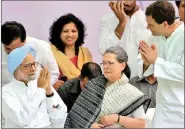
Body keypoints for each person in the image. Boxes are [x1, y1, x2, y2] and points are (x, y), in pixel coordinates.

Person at [64, 46, 151, 128]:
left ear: (122, 66)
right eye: (104, 63)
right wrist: (90, 126)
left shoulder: (131, 92)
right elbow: (76, 117)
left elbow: (142, 124)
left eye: (110, 63)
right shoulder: (93, 85)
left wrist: (117, 118)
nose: (105, 67)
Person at [138, 1, 184, 128]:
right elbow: (141, 63)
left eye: (151, 25)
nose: (148, 28)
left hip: (182, 108)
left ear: (165, 24)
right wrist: (146, 64)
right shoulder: (152, 36)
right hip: (163, 107)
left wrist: (155, 61)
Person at [2, 46, 67, 128]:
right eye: (28, 65)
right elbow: (22, 120)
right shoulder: (6, 92)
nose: (33, 69)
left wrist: (49, 94)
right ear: (15, 69)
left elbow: (60, 119)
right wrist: (41, 91)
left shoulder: (41, 83)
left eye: (34, 64)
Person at [99, 0, 151, 78]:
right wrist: (122, 22)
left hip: (143, 79)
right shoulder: (107, 20)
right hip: (116, 79)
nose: (124, 2)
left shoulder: (148, 19)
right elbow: (104, 50)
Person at [1, 21, 59, 87]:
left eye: (16, 49)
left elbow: (54, 73)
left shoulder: (41, 46)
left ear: (24, 40)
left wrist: (41, 88)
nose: (12, 53)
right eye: (8, 49)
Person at [49, 13, 92, 91]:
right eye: (65, 31)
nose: (70, 35)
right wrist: (51, 84)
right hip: (58, 97)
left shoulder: (85, 53)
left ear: (79, 33)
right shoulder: (50, 52)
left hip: (83, 97)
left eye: (73, 31)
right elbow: (42, 78)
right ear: (59, 33)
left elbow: (92, 79)